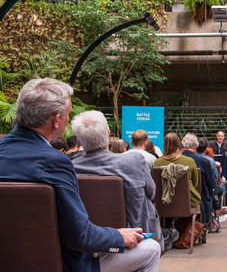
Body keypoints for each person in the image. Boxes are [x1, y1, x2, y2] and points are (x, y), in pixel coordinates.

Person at [0, 78, 160, 272]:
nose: (68, 118)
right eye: (68, 113)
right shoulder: (55, 163)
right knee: (151, 248)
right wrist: (118, 236)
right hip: (63, 264)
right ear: (56, 119)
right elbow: (79, 236)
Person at [72, 111, 163, 251]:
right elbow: (152, 193)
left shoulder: (71, 168)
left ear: (78, 140)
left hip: (87, 242)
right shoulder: (134, 161)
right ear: (108, 133)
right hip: (133, 239)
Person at [154, 133, 201, 208]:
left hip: (164, 202)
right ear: (179, 144)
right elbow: (195, 183)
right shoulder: (189, 161)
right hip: (188, 201)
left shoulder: (157, 162)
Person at [182, 133, 217, 226]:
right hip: (198, 201)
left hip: (172, 203)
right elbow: (212, 184)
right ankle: (206, 224)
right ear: (195, 145)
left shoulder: (173, 160)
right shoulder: (204, 162)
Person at [197, 137, 227, 216]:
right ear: (206, 148)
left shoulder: (191, 158)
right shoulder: (210, 161)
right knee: (219, 190)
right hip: (206, 189)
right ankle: (217, 209)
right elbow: (215, 177)